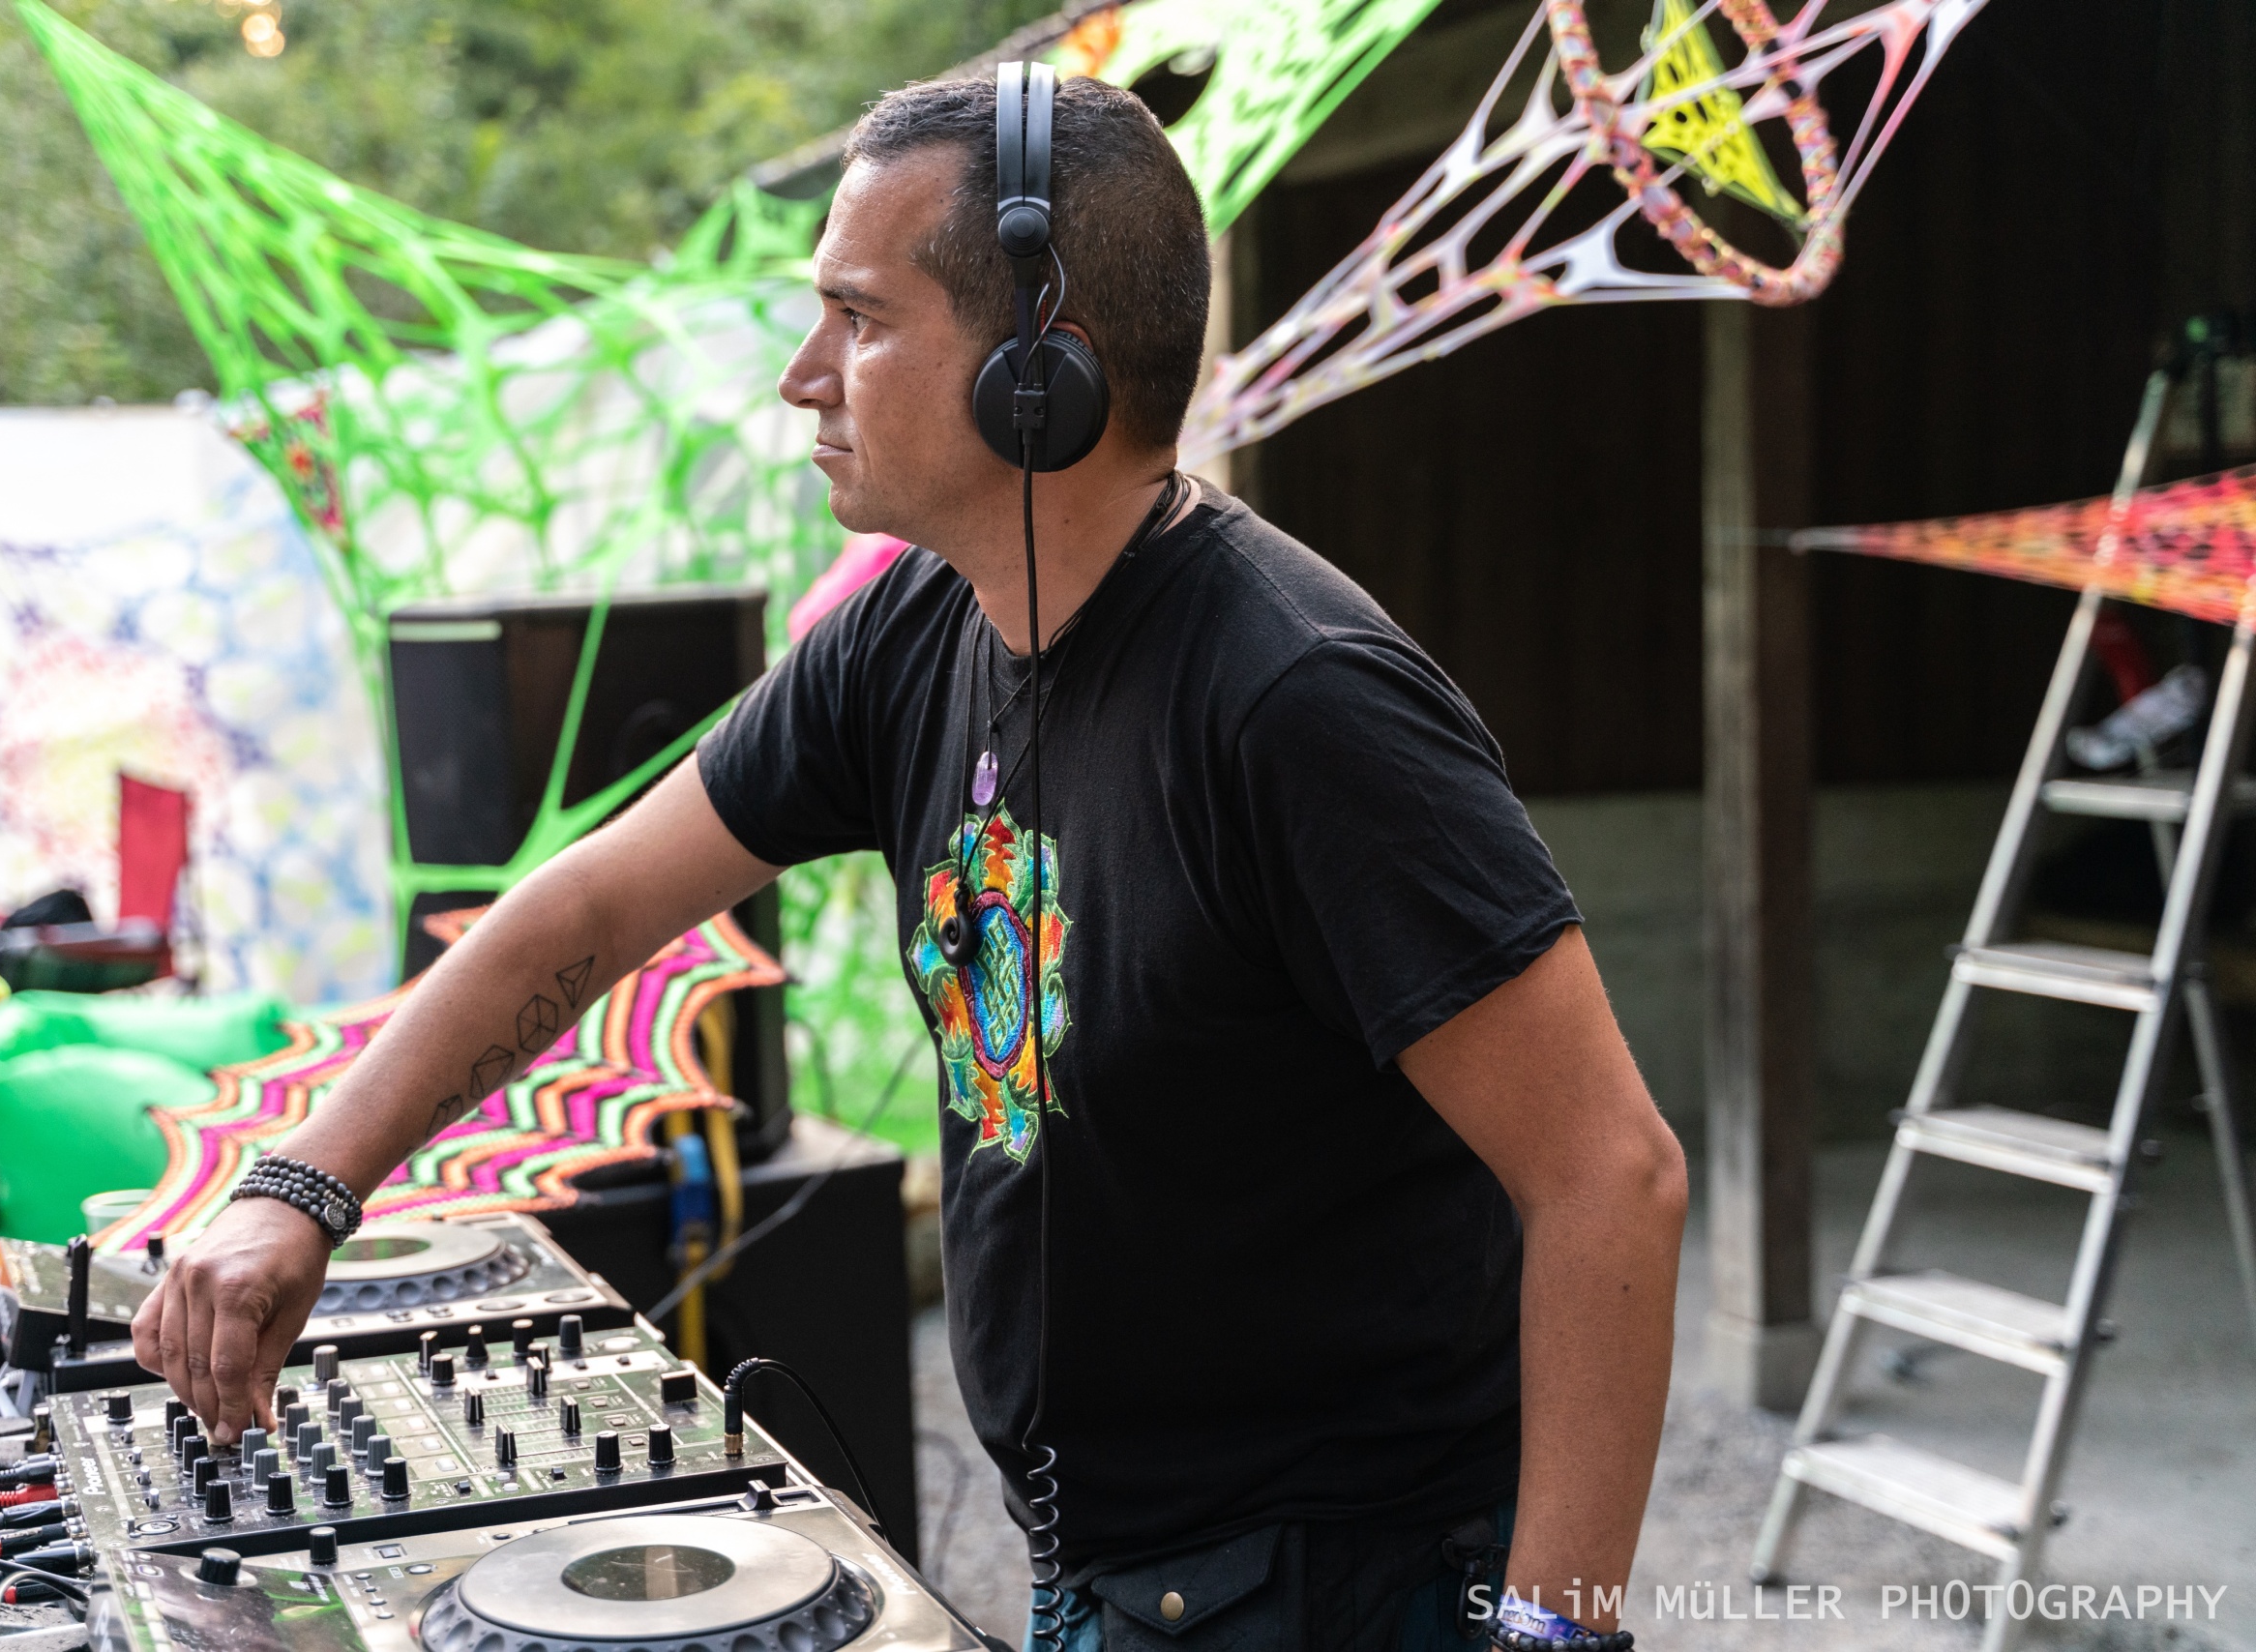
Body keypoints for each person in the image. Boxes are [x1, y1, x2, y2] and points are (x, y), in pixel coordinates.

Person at [137, 74, 1686, 1652]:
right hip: (1111, 1565)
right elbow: (595, 901)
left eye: (859, 320)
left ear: (1039, 378)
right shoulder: (909, 629)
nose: (803, 375)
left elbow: (1610, 1176)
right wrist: (304, 1184)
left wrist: (1554, 1635)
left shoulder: (1299, 701)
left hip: (1346, 1583)